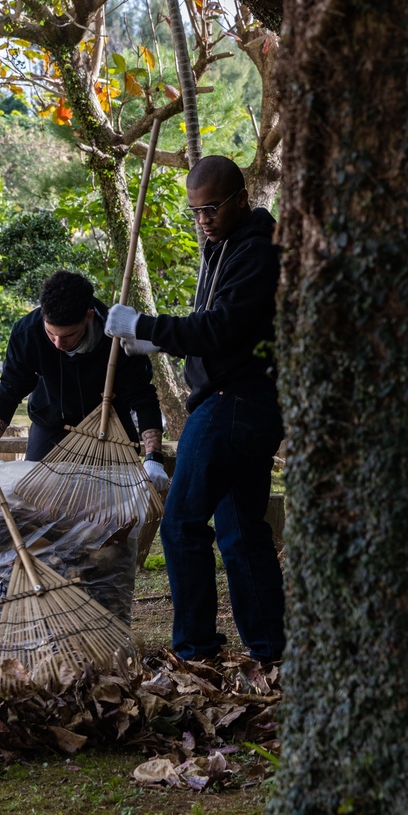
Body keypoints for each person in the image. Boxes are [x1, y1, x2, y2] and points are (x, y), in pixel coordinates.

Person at [105, 156, 284, 667]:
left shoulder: (256, 250)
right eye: (195, 211)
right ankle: (273, 654)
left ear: (241, 199)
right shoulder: (222, 246)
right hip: (236, 400)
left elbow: (220, 329)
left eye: (211, 208)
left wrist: (146, 327)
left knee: (181, 523)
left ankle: (197, 652)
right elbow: (217, 330)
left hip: (235, 403)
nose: (203, 218)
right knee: (241, 531)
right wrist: (155, 345)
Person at [0, 269, 168, 492]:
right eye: (51, 334)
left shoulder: (118, 337)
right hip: (52, 420)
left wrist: (153, 457)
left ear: (88, 317)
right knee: (36, 497)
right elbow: (8, 393)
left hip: (111, 425)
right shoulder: (27, 333)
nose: (58, 344)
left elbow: (142, 397)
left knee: (116, 507)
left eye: (67, 336)